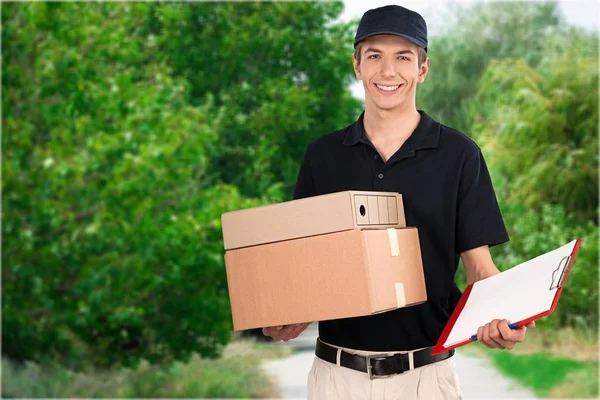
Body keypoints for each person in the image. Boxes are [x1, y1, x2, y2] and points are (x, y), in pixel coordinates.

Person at [263, 5, 535, 399]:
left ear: (422, 69)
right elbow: (305, 266)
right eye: (374, 55)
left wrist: (502, 316)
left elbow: (479, 267)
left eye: (403, 57)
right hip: (336, 377)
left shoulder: (459, 155)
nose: (387, 71)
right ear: (357, 65)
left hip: (425, 378)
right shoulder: (323, 156)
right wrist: (285, 314)